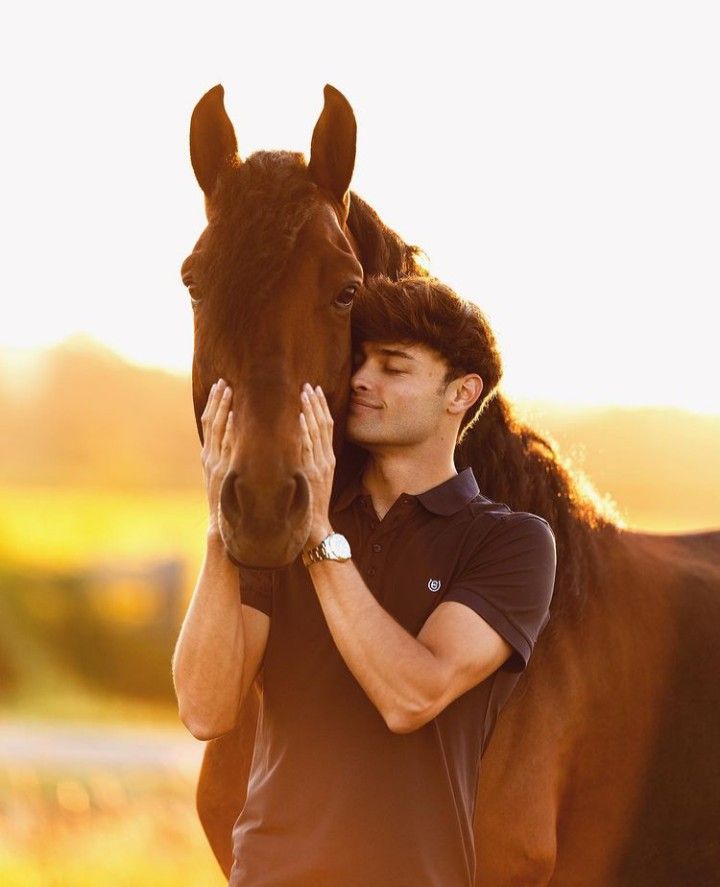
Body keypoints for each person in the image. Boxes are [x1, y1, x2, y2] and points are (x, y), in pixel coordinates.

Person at [175, 274, 557, 887]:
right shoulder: (292, 522)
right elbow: (204, 709)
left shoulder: (511, 542)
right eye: (359, 361)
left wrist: (322, 537)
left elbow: (413, 696)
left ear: (462, 392)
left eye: (393, 367)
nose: (359, 380)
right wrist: (224, 524)